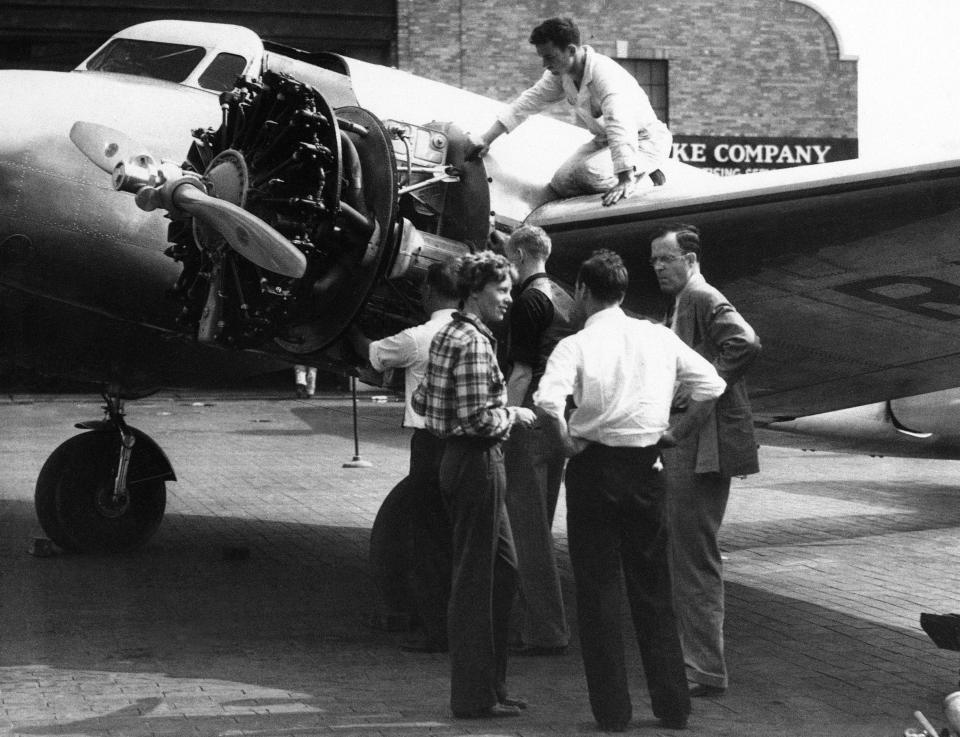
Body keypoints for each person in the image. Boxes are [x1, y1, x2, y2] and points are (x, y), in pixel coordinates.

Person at [534, 249, 726, 732]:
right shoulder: (658, 337)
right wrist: (679, 433)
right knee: (653, 586)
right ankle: (673, 705)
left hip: (593, 466)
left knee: (597, 589)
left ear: (581, 291)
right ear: (621, 291)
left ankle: (613, 713)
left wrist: (566, 444)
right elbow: (711, 385)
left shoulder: (574, 346)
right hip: (646, 466)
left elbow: (548, 403)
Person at [411, 251, 537, 719]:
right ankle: (473, 696)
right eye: (502, 290)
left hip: (457, 460)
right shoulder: (476, 343)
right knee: (475, 582)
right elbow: (477, 419)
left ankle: (492, 686)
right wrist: (515, 413)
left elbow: (424, 399)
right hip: (477, 462)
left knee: (502, 571)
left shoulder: (448, 334)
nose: (508, 298)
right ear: (475, 290)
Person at [649, 223, 761, 698]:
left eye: (665, 258)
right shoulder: (685, 301)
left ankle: (704, 670)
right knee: (688, 550)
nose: (657, 267)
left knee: (694, 556)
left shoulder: (700, 295)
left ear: (690, 260)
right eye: (654, 260)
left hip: (702, 446)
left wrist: (703, 388)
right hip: (694, 443)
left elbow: (746, 342)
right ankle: (697, 662)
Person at [346, 259, 461, 653]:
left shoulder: (418, 337)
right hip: (467, 447)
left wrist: (351, 322)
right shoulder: (477, 333)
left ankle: (437, 631)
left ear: (428, 291)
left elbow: (373, 353)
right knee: (461, 536)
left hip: (430, 443)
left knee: (429, 538)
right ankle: (468, 624)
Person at [468, 16, 672, 207]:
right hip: (606, 140)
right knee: (561, 183)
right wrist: (487, 139)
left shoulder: (605, 75)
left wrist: (625, 177)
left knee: (589, 174)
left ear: (571, 50)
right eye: (542, 57)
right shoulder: (561, 73)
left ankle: (648, 178)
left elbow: (620, 124)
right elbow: (528, 103)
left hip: (644, 140)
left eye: (549, 57)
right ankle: (626, 174)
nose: (545, 65)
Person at [502, 225, 573, 656]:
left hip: (528, 417)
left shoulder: (529, 300)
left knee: (526, 531)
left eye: (511, 257)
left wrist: (503, 419)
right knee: (538, 524)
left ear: (523, 254)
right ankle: (529, 622)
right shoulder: (563, 296)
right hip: (558, 417)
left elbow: (522, 371)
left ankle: (546, 630)